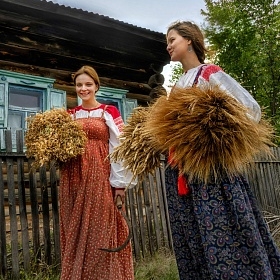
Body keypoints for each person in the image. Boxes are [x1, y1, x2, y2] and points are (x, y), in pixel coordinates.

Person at [164, 21, 280, 279]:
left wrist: (211, 136)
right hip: (179, 172)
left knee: (221, 229)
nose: (168, 46)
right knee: (193, 235)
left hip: (210, 172)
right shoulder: (175, 88)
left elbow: (250, 110)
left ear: (189, 40)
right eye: (167, 42)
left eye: (172, 39)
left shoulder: (210, 74)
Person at [59, 65, 135, 280]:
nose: (83, 88)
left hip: (99, 175)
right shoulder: (69, 115)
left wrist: (119, 184)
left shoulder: (108, 111)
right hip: (72, 176)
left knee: (100, 228)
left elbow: (119, 148)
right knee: (74, 226)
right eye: (79, 85)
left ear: (96, 86)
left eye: (88, 84)